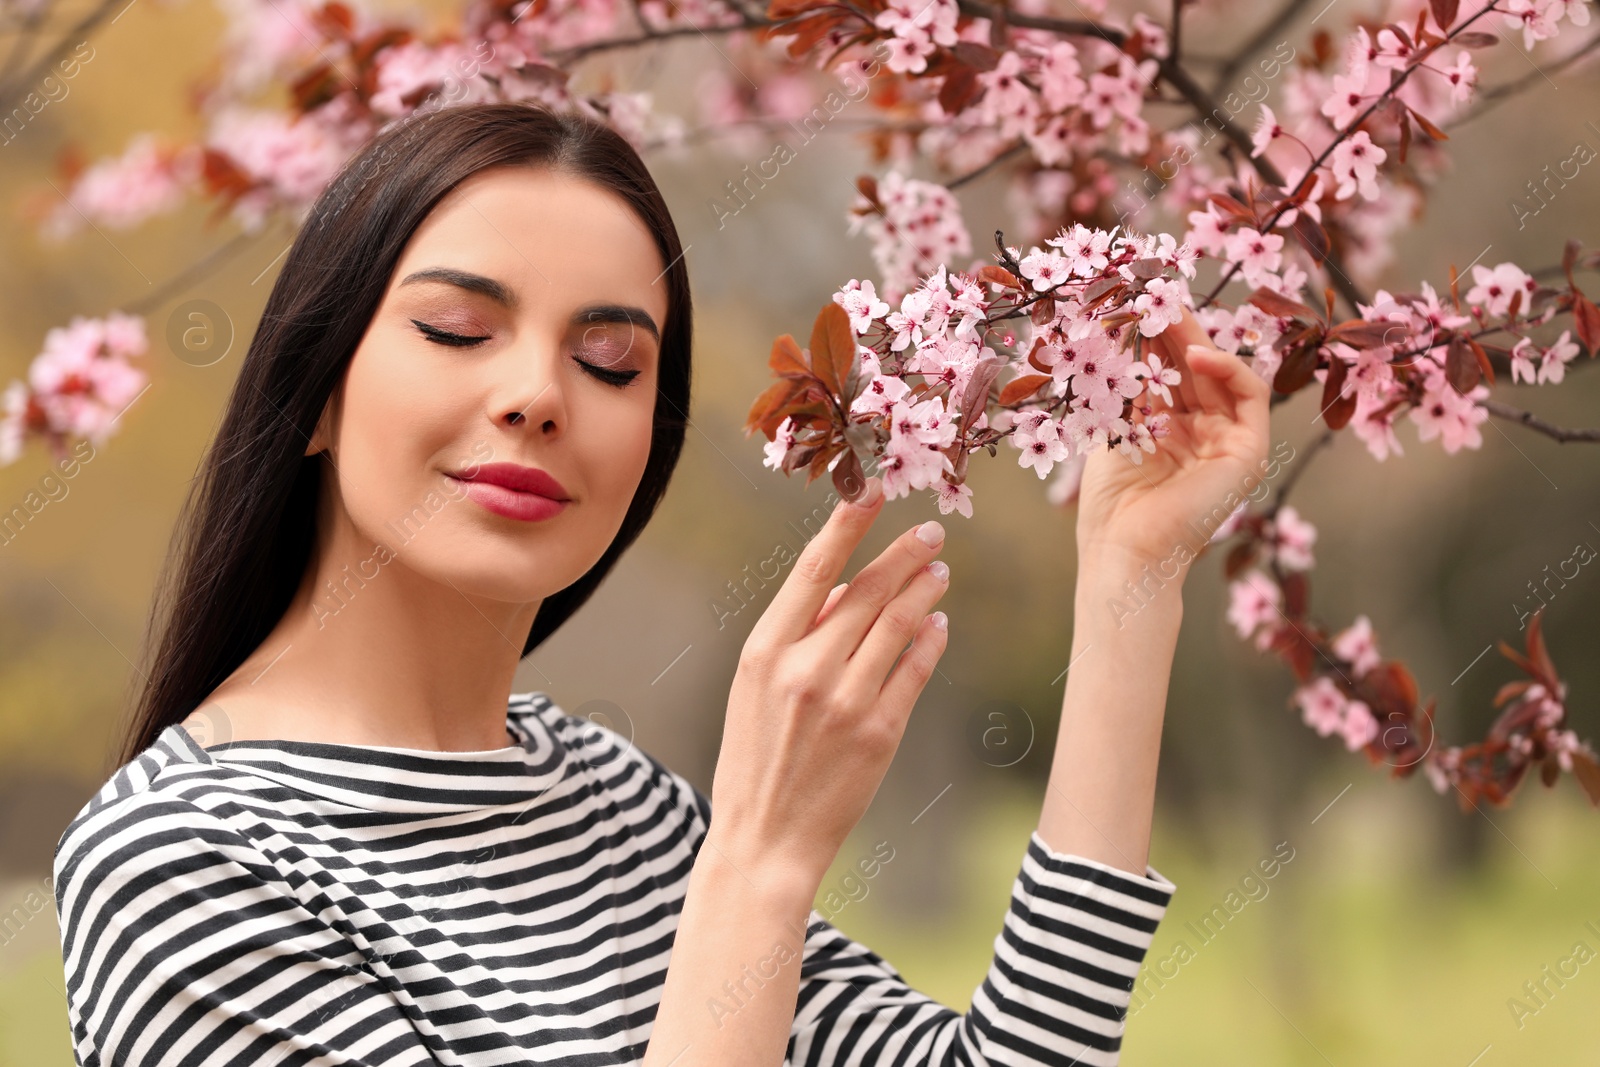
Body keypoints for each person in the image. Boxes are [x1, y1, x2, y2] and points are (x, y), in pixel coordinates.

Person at [52, 100, 1271, 1067]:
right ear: (316, 386)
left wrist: (1133, 579)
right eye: (457, 330)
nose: (539, 393)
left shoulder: (615, 802)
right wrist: (758, 861)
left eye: (608, 359)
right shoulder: (180, 860)